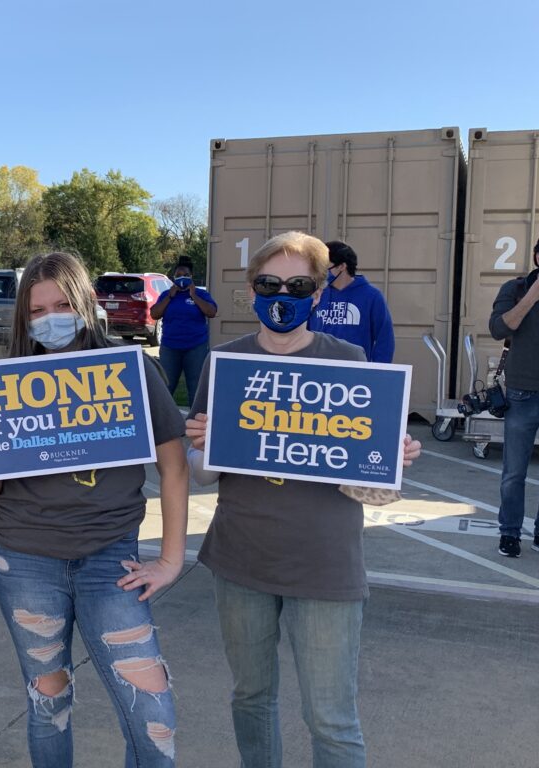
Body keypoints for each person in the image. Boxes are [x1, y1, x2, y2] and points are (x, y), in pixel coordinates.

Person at [184, 231, 421, 768]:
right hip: (240, 559)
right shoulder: (224, 363)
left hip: (325, 566)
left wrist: (389, 457)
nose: (282, 294)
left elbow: (375, 490)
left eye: (299, 284)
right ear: (252, 290)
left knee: (332, 720)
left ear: (318, 295)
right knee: (251, 698)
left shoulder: (350, 360)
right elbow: (200, 474)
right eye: (270, 283)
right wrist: (208, 446)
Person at [0, 251, 189, 767]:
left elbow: (175, 469)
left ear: (85, 304)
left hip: (111, 560)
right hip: (25, 561)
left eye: (62, 304)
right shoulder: (4, 381)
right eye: (37, 310)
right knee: (48, 703)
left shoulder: (131, 372)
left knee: (152, 710)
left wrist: (171, 560)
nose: (50, 318)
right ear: (23, 317)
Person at [489, 237, 539, 557]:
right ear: (537, 256)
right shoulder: (516, 288)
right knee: (514, 473)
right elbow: (497, 328)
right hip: (523, 392)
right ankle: (509, 532)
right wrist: (533, 297)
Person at [308, 240, 395, 363]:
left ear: (342, 266)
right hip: (318, 369)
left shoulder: (372, 296)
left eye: (325, 268)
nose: (320, 273)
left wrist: (378, 374)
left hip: (353, 373)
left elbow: (385, 339)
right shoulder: (317, 293)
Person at [150, 256, 217, 404]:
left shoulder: (201, 294)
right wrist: (169, 297)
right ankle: (164, 421)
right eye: (178, 275)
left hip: (195, 347)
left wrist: (193, 295)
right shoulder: (166, 295)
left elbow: (211, 312)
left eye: (185, 275)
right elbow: (154, 314)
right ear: (173, 277)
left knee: (196, 387)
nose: (182, 278)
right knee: (165, 386)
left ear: (191, 277)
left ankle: (196, 421)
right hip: (170, 347)